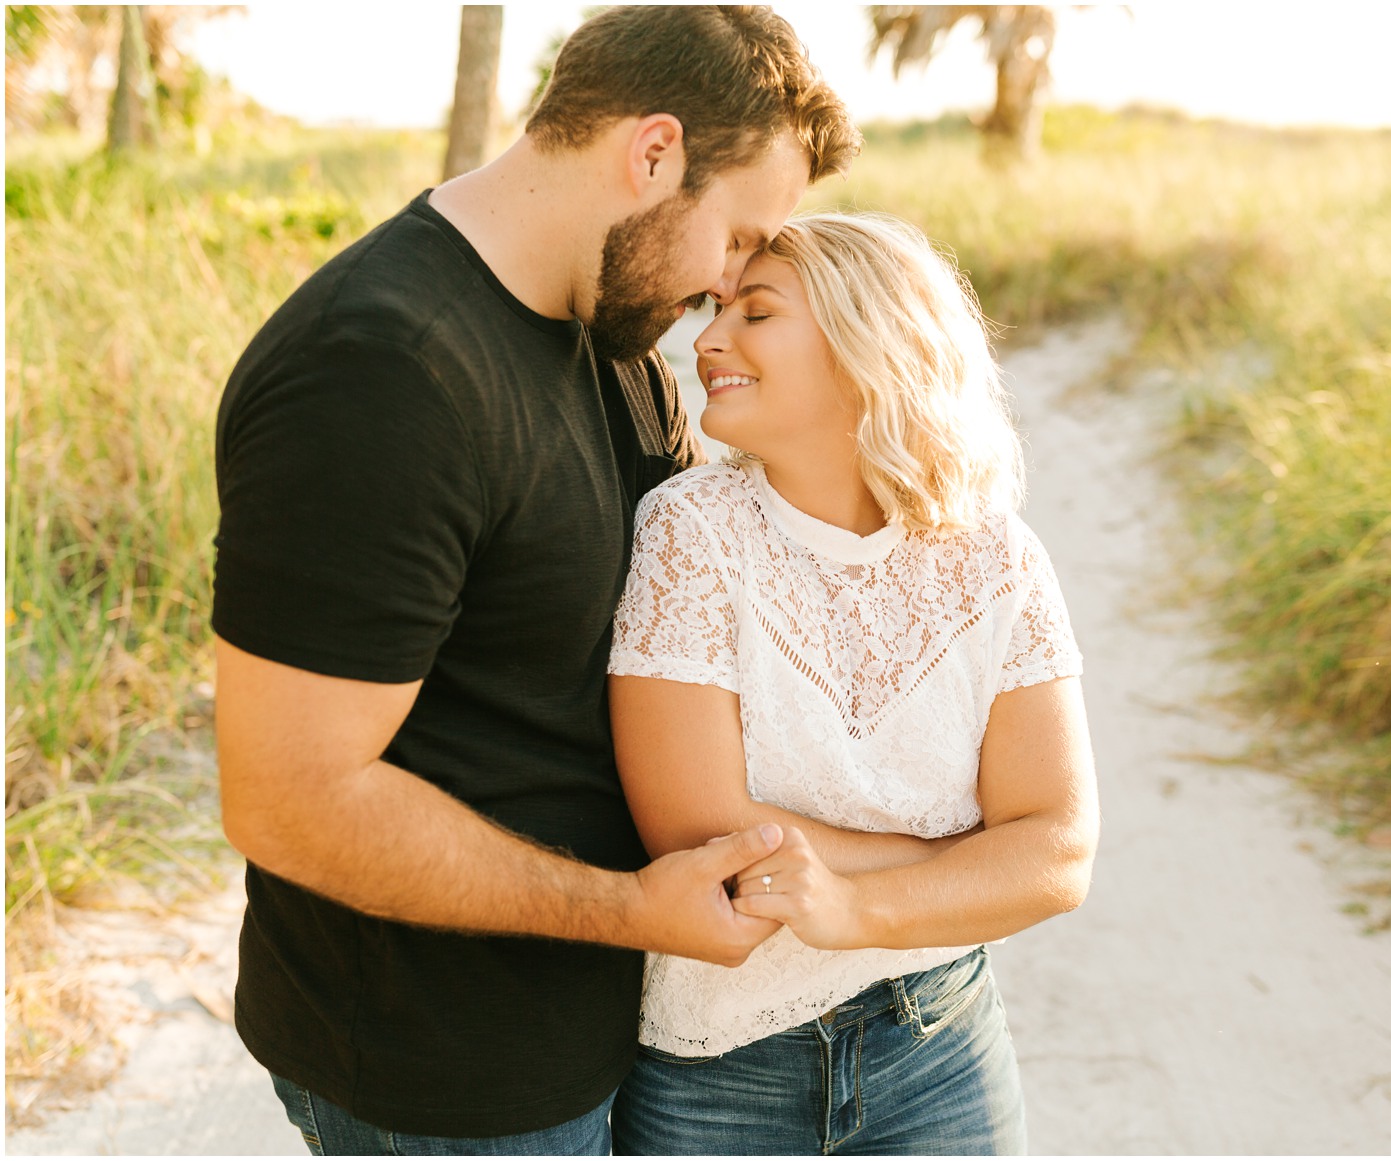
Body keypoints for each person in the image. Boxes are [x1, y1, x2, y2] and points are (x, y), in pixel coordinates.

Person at [210, 6, 860, 1154]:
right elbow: (290, 801)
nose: (728, 284)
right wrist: (624, 911)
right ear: (652, 152)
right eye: (739, 236)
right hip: (444, 1076)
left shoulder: (612, 347)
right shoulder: (379, 374)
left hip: (600, 1028)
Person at [607, 211, 1100, 1155]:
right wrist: (964, 859)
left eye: (756, 313)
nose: (707, 339)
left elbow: (1058, 853)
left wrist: (855, 905)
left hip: (939, 1044)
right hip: (722, 1070)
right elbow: (699, 828)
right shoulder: (690, 530)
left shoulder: (997, 558)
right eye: (717, 312)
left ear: (864, 338)